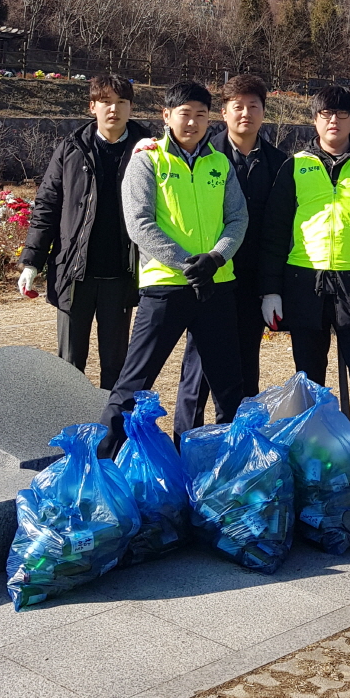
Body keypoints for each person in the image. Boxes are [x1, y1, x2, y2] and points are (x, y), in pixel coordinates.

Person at [259, 84, 350, 527]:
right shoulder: (295, 166)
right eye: (325, 114)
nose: (333, 121)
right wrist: (271, 289)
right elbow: (274, 230)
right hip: (304, 285)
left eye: (342, 114)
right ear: (315, 120)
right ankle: (314, 480)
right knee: (310, 390)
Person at [99, 80, 248, 455]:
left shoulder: (220, 163)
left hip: (215, 286)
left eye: (201, 114)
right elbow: (139, 223)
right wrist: (186, 264)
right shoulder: (147, 159)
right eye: (184, 114)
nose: (193, 122)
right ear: (166, 116)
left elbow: (237, 219)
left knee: (229, 389)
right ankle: (99, 466)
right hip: (165, 287)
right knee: (133, 383)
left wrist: (215, 258)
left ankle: (229, 471)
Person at [18, 73, 149, 389]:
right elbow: (47, 206)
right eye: (106, 102)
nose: (113, 109)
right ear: (92, 107)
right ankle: (68, 417)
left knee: (116, 366)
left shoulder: (148, 151)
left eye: (121, 102)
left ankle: (109, 419)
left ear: (131, 108)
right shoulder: (71, 148)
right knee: (69, 364)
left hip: (121, 274)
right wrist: (32, 263)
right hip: (74, 275)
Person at [175, 74, 286, 434]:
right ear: (223, 112)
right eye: (237, 106)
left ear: (264, 112)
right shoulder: (203, 156)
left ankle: (239, 444)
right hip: (210, 279)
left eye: (254, 106)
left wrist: (271, 287)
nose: (246, 113)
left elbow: (278, 230)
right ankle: (186, 442)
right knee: (198, 370)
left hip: (251, 281)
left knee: (245, 369)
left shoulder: (279, 163)